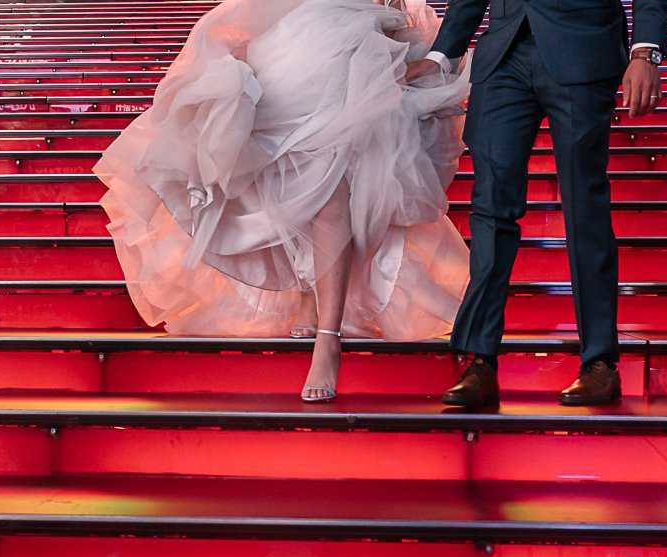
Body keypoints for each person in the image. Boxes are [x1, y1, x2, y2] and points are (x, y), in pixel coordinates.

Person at [94, 0, 472, 402]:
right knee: (286, 170)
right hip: (295, 35)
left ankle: (328, 339)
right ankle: (309, 289)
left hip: (359, 38)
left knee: (334, 179)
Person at [403, 0, 667, 407]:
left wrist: (645, 51)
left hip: (583, 48)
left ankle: (600, 363)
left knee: (585, 210)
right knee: (490, 208)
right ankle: (480, 361)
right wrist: (442, 55)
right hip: (503, 55)